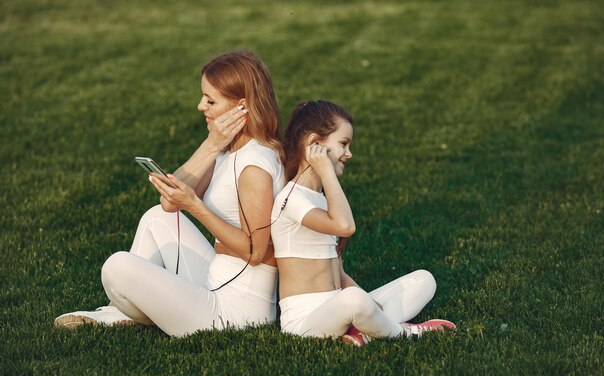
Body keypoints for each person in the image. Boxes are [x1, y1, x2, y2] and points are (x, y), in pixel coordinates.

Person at [54, 50, 285, 337]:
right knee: (155, 218)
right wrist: (212, 145)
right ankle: (122, 310)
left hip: (236, 314)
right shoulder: (229, 150)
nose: (201, 106)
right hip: (216, 281)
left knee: (117, 266)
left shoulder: (255, 166)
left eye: (211, 100)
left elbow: (255, 251)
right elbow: (168, 202)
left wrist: (196, 206)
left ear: (241, 107)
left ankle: (131, 311)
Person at [270, 100, 455, 346]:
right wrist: (326, 172)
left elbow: (338, 270)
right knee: (354, 300)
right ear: (315, 144)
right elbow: (346, 227)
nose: (349, 154)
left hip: (338, 306)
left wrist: (373, 305)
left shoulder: (319, 198)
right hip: (305, 322)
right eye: (343, 144)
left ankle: (363, 333)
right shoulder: (292, 199)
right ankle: (404, 332)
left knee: (424, 280)